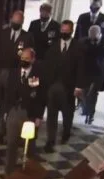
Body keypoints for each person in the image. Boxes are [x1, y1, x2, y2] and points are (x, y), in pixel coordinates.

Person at [0, 10, 34, 144]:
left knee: (11, 102)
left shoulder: (28, 37)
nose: (16, 23)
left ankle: (10, 131)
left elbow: (30, 56)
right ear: (11, 20)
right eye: (14, 21)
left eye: (18, 22)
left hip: (16, 74)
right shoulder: (2, 34)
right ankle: (2, 128)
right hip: (1, 72)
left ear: (22, 22)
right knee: (0, 101)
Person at [42, 20, 84, 152]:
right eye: (62, 30)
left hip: (69, 88)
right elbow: (47, 65)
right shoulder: (53, 45)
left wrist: (79, 86)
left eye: (67, 31)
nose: (64, 33)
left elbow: (81, 68)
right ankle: (50, 140)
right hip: (53, 86)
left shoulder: (78, 47)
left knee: (67, 114)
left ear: (71, 31)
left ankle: (66, 132)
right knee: (51, 114)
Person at [4, 48, 45, 174]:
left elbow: (42, 97)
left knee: (30, 146)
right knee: (11, 144)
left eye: (27, 59)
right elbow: (7, 93)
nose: (24, 61)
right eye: (22, 58)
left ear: (32, 60)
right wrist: (6, 111)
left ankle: (29, 174)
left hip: (30, 114)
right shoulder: (13, 73)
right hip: (14, 111)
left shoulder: (38, 74)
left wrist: (39, 116)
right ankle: (9, 174)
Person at [79, 25, 104, 125]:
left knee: (93, 93)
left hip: (99, 72)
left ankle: (90, 115)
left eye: (94, 36)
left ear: (99, 34)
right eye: (90, 36)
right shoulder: (83, 41)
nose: (92, 38)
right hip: (87, 71)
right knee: (85, 92)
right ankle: (86, 109)